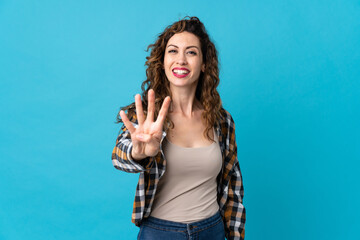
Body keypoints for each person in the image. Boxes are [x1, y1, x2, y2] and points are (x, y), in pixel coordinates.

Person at [112, 16, 246, 240]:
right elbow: (119, 156)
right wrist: (139, 153)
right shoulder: (149, 116)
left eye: (191, 52)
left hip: (212, 230)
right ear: (162, 61)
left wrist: (235, 236)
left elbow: (233, 187)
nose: (181, 60)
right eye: (173, 51)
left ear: (204, 64)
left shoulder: (222, 120)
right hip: (160, 233)